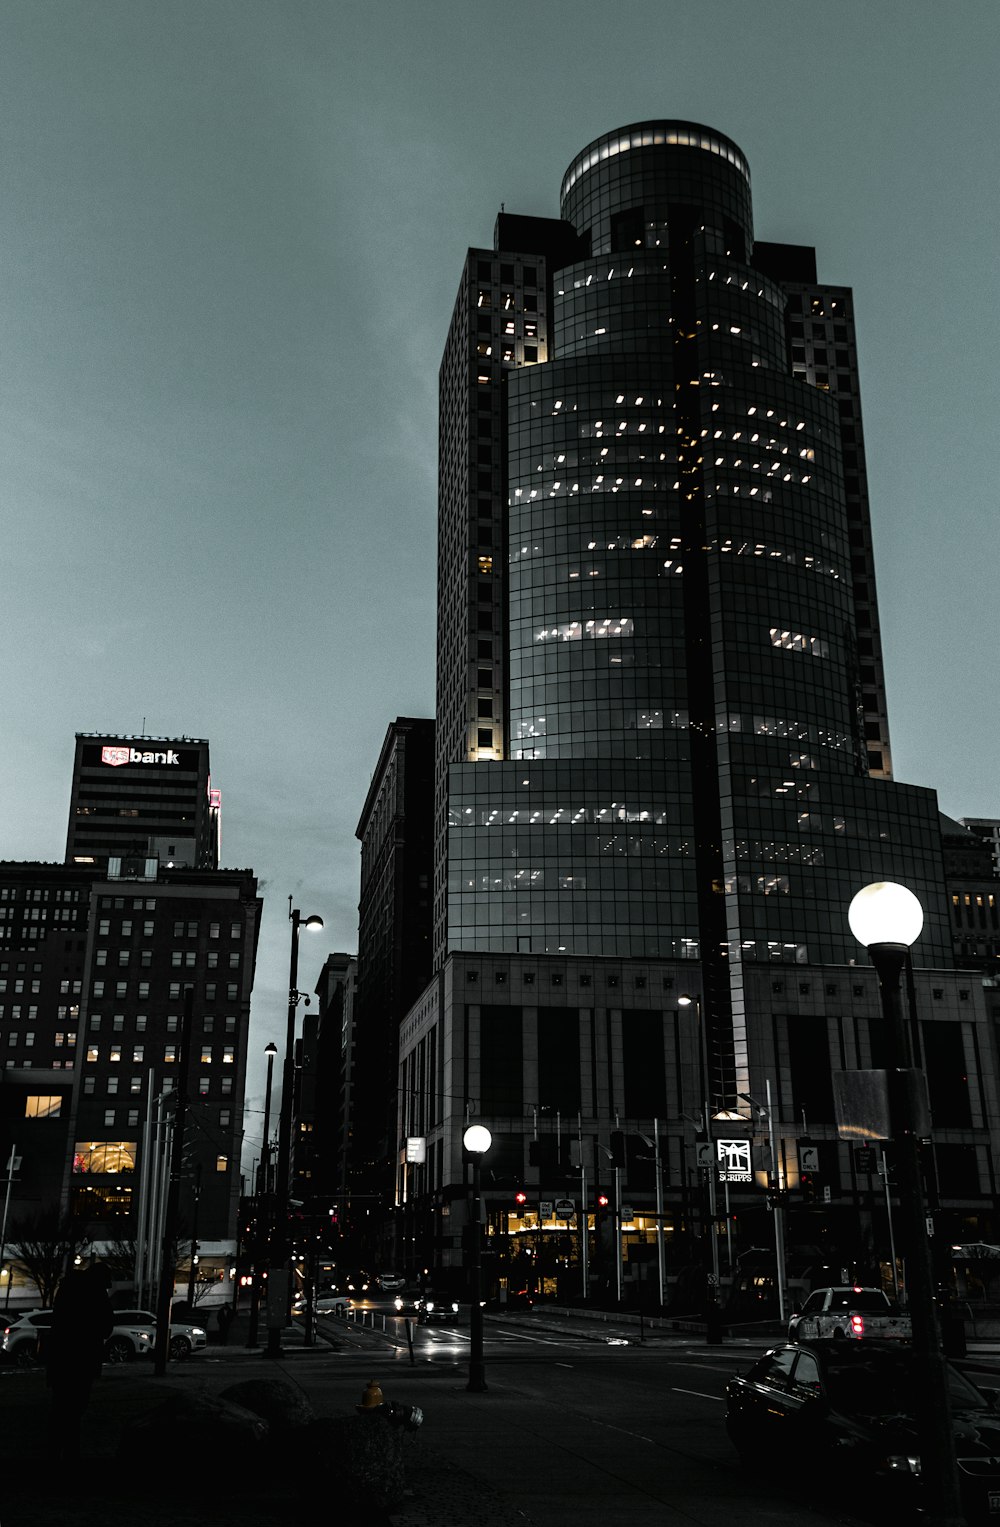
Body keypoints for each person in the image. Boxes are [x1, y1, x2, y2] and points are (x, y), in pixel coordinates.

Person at [44, 1263, 115, 1463]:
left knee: (60, 1409)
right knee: (74, 1411)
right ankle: (69, 1456)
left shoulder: (67, 1289)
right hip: (83, 1359)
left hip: (62, 1359)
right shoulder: (97, 1294)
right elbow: (106, 1327)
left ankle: (55, 1454)